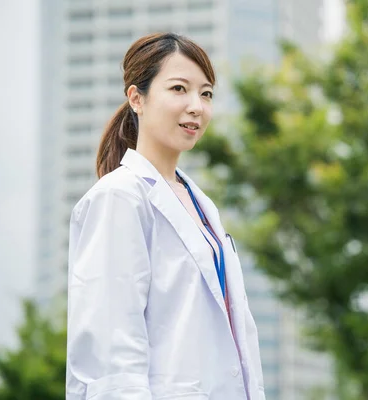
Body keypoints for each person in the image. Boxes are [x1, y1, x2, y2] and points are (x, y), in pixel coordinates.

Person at [66, 32, 265, 400]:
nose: (196, 107)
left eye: (206, 94)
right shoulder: (120, 197)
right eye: (179, 89)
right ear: (136, 98)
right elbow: (112, 351)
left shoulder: (202, 206)